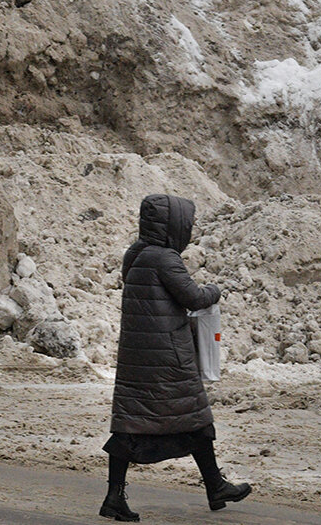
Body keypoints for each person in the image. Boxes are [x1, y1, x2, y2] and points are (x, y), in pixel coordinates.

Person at [99, 194, 251, 522]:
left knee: (130, 424)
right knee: (196, 418)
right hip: (167, 358)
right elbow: (194, 298)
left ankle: (116, 496)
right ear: (173, 225)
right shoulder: (165, 259)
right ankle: (215, 486)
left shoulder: (135, 255)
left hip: (138, 357)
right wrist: (215, 289)